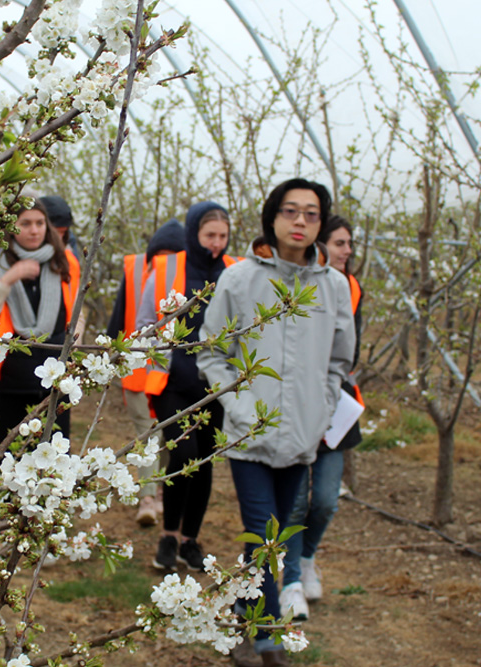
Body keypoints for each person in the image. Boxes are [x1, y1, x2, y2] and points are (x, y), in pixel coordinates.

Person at [197, 179, 356, 667]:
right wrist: (239, 406)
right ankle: (266, 639)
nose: (301, 221)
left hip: (303, 437)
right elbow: (212, 350)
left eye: (311, 214)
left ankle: (246, 614)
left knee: (277, 536)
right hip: (249, 433)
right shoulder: (241, 279)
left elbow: (337, 360)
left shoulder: (332, 287)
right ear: (272, 218)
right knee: (264, 530)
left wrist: (320, 410)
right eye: (291, 211)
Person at [133, 203, 238, 570]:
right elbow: (146, 322)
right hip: (172, 381)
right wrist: (161, 357)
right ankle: (168, 535)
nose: (216, 244)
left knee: (205, 461)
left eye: (223, 237)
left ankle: (189, 540)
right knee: (181, 455)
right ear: (195, 233)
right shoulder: (166, 268)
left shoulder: (234, 270)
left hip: (217, 384)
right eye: (210, 236)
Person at [280, 215, 364, 620]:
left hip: (336, 408)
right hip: (296, 406)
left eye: (350, 243)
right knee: (295, 503)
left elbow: (351, 351)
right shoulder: (297, 284)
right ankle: (291, 579)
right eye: (341, 243)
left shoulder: (351, 288)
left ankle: (308, 556)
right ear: (320, 245)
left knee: (327, 499)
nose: (348, 250)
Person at [0, 199, 82, 449]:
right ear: (11, 227)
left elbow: (77, 312)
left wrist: (73, 350)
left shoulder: (66, 260)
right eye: (26, 223)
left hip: (55, 382)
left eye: (40, 223)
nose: (34, 230)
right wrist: (9, 279)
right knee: (8, 459)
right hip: (7, 383)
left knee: (54, 458)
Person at [106, 219, 185, 526]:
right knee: (146, 431)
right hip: (138, 365)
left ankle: (161, 488)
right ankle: (148, 497)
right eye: (160, 254)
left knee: (167, 431)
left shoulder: (190, 277)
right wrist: (113, 355)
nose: (165, 261)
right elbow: (118, 314)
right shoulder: (135, 269)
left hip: (171, 371)